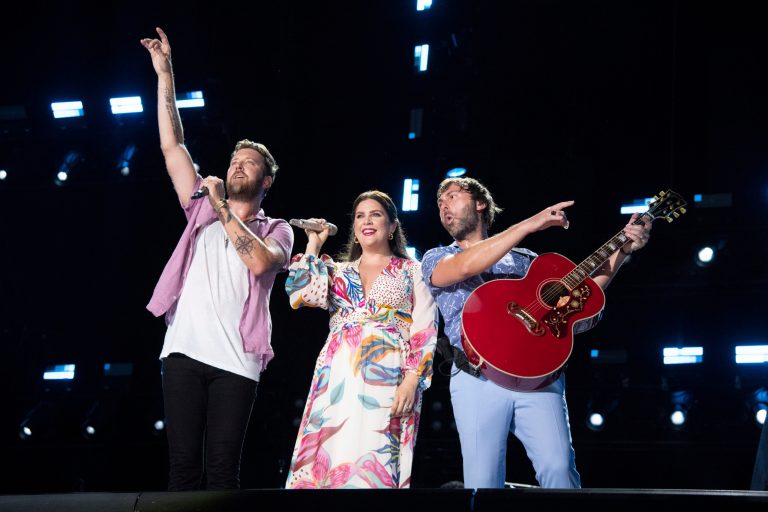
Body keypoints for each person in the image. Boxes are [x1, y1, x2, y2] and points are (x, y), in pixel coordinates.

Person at [421, 177, 651, 489]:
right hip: (477, 377)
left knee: (560, 473)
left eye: (451, 196)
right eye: (439, 203)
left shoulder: (527, 260)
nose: (444, 205)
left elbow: (583, 298)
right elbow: (465, 268)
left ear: (480, 203)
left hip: (539, 378)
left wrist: (623, 250)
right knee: (484, 483)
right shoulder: (437, 257)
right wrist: (530, 223)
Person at [141, 27, 294, 491]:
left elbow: (261, 264)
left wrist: (223, 204)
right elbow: (174, 146)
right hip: (184, 352)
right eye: (233, 159)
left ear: (266, 181)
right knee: (183, 472)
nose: (236, 166)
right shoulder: (202, 209)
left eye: (248, 163)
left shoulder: (277, 228)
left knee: (224, 473)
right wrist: (165, 74)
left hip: (237, 361)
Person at [283, 190, 438, 488]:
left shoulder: (412, 270)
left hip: (389, 373)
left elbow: (425, 328)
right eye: (360, 216)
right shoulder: (338, 272)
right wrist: (314, 243)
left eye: (376, 214)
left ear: (392, 226)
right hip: (338, 372)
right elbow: (299, 294)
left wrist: (412, 378)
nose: (367, 221)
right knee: (331, 451)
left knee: (376, 455)